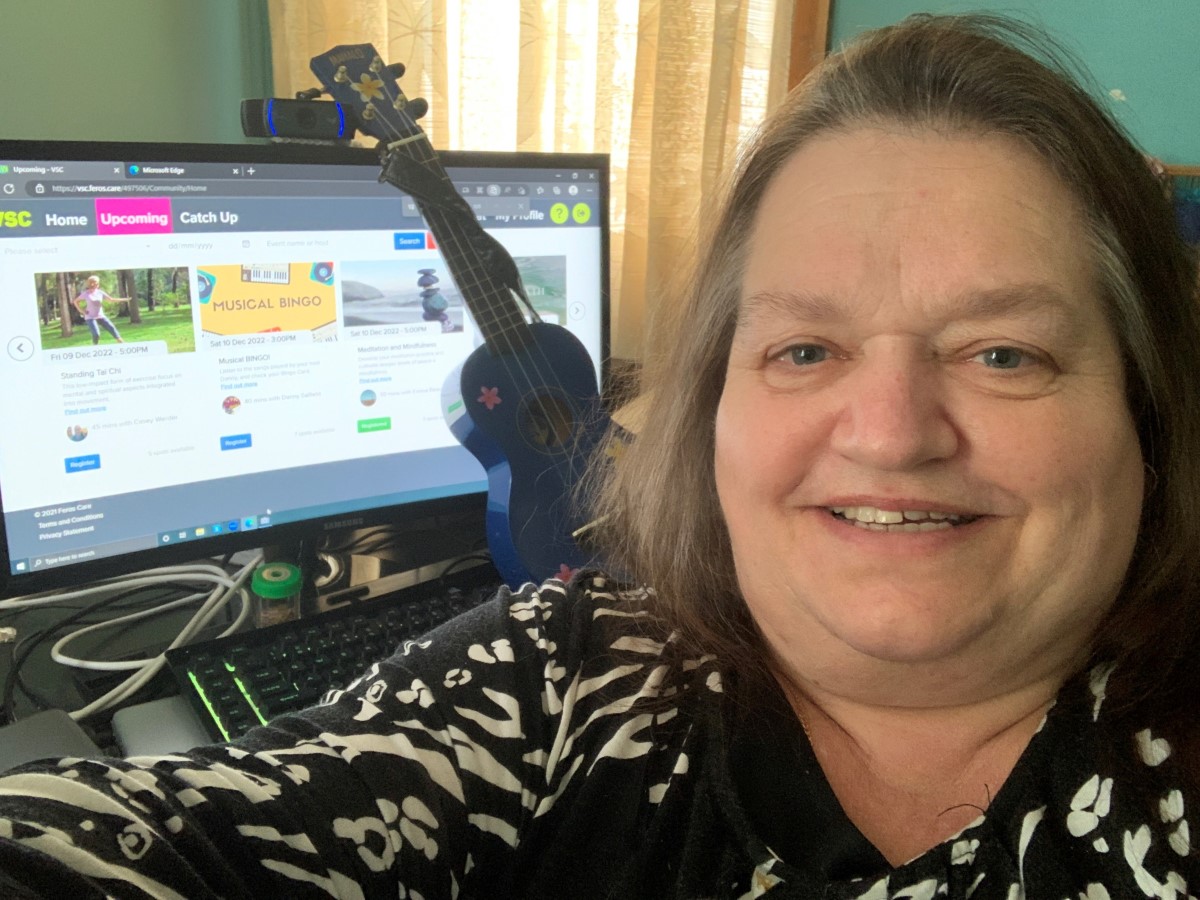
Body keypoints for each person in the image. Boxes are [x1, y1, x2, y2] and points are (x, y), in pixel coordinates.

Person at [2, 14, 1198, 898]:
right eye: (803, 349)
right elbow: (151, 832)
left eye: (1003, 354)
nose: (889, 432)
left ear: (1149, 409)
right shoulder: (563, 675)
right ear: (710, 405)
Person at [74, 275, 124, 345]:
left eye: (95, 282)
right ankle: (95, 346)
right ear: (89, 284)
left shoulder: (100, 292)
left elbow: (111, 299)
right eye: (91, 282)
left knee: (111, 328)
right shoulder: (86, 293)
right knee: (96, 334)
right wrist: (81, 310)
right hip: (90, 317)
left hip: (100, 316)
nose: (93, 284)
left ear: (97, 284)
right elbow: (76, 301)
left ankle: (122, 343)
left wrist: (124, 299)